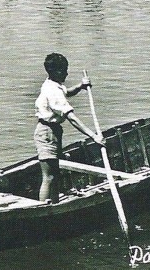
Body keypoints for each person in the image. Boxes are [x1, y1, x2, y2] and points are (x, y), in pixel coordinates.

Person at [35, 52, 103, 204]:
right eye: (65, 70)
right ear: (57, 71)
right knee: (49, 176)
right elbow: (72, 118)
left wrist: (81, 86)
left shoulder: (51, 84)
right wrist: (94, 136)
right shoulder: (53, 91)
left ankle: (54, 203)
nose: (67, 73)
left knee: (55, 174)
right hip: (47, 133)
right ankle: (44, 209)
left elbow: (67, 93)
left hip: (51, 132)